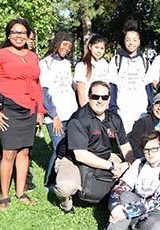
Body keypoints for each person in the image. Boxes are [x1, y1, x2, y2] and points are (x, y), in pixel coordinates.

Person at [0, 18, 44, 210]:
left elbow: (37, 85)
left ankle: (20, 192)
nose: (19, 36)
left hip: (29, 111)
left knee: (25, 152)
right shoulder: (0, 55)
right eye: (15, 32)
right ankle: (4, 195)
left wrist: (40, 111)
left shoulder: (33, 56)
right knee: (9, 152)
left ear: (28, 35)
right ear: (9, 35)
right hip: (8, 109)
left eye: (22, 32)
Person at [54, 81, 133, 214]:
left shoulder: (115, 118)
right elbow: (81, 155)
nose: (100, 101)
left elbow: (126, 147)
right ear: (89, 97)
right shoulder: (78, 119)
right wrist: (111, 166)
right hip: (72, 159)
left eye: (104, 97)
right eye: (95, 97)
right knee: (65, 187)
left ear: (109, 99)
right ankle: (66, 204)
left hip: (103, 155)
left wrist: (128, 164)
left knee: (133, 173)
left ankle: (116, 201)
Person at [107, 131, 160, 230]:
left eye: (154, 149)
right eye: (146, 150)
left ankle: (134, 225)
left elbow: (156, 201)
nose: (150, 153)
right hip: (138, 205)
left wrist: (125, 212)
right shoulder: (139, 163)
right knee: (123, 196)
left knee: (157, 226)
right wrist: (115, 207)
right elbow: (120, 187)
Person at [39, 32, 78, 188]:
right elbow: (43, 92)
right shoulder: (45, 63)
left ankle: (67, 178)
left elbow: (70, 87)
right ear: (57, 43)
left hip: (71, 112)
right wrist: (54, 115)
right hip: (55, 116)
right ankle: (50, 182)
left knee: (68, 147)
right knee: (58, 148)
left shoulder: (67, 64)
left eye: (69, 46)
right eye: (64, 44)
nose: (66, 48)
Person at [110, 20, 153, 133]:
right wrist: (113, 109)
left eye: (134, 40)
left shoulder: (145, 62)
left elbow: (148, 87)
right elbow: (112, 86)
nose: (131, 43)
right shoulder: (116, 61)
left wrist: (150, 108)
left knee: (141, 142)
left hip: (141, 110)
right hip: (122, 111)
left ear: (139, 42)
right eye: (128, 40)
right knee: (125, 145)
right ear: (124, 41)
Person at [127, 93, 160, 159]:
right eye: (157, 104)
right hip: (145, 158)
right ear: (152, 106)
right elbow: (135, 146)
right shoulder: (143, 122)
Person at [74, 34, 118, 110]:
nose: (99, 51)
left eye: (102, 48)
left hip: (104, 109)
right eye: (96, 47)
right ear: (90, 47)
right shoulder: (82, 66)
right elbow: (81, 93)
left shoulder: (105, 64)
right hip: (89, 109)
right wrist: (85, 112)